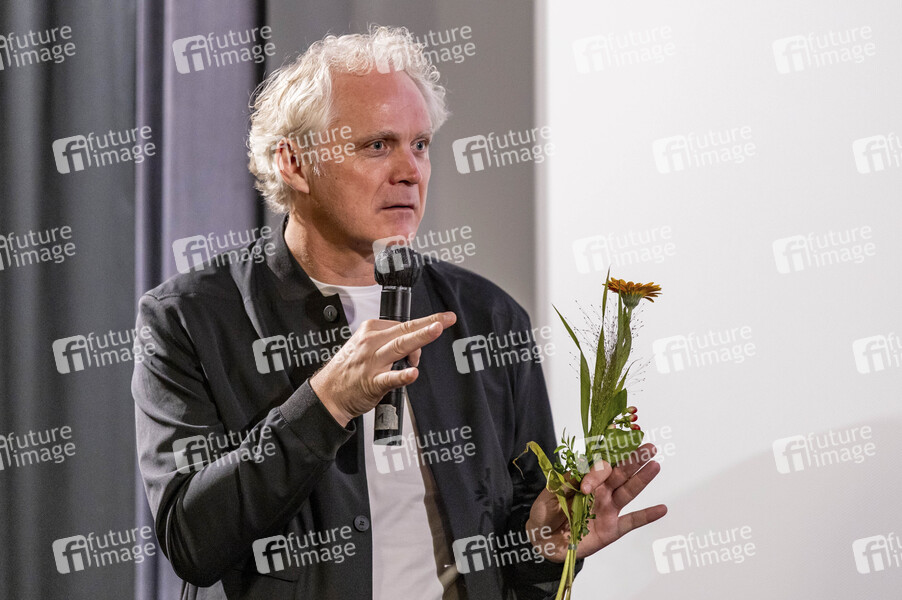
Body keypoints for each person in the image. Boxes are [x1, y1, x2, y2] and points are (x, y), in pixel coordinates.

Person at [132, 26, 665, 600]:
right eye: (377, 146)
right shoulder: (189, 319)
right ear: (294, 163)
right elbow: (191, 542)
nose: (410, 170)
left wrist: (543, 547)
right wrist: (327, 401)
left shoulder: (489, 318)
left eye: (421, 145)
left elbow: (519, 546)